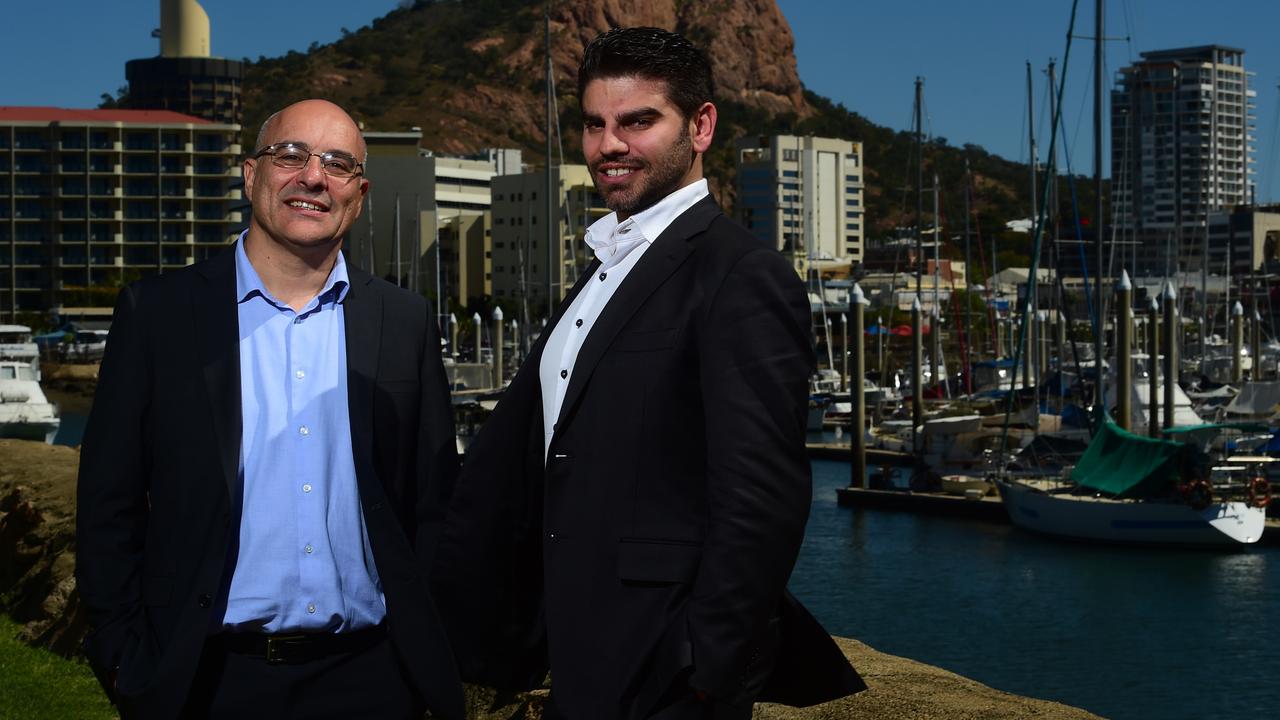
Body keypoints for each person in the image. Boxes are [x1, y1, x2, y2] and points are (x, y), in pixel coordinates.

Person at [433, 27, 865, 720]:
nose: (609, 145)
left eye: (638, 121)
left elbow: (761, 496)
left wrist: (705, 668)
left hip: (665, 677)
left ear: (700, 126)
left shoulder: (740, 276)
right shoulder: (605, 268)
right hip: (578, 656)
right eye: (594, 124)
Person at [76, 99, 464, 720]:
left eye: (337, 164)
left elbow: (433, 504)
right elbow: (107, 504)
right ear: (251, 174)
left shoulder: (405, 322)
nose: (313, 177)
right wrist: (123, 656)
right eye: (291, 154)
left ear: (358, 194)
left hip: (374, 679)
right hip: (208, 681)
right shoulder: (159, 316)